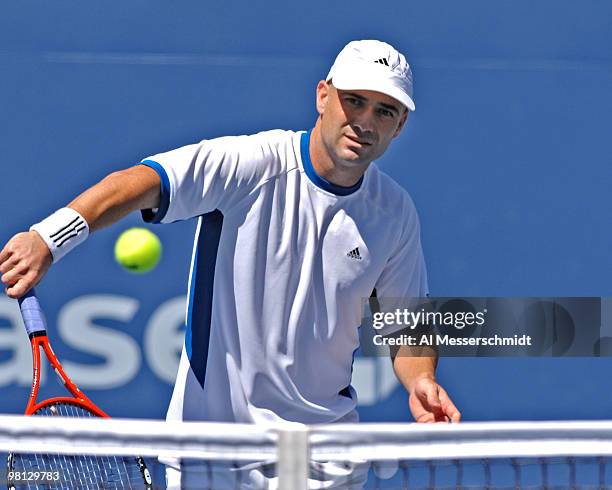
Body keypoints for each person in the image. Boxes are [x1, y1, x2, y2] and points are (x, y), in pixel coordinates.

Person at [0, 39, 460, 488]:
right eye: (354, 101)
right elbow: (141, 182)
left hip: (322, 457)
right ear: (323, 96)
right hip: (214, 448)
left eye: (385, 111)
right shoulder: (251, 165)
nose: (364, 122)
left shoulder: (395, 214)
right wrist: (48, 237)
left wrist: (421, 380)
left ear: (399, 126)